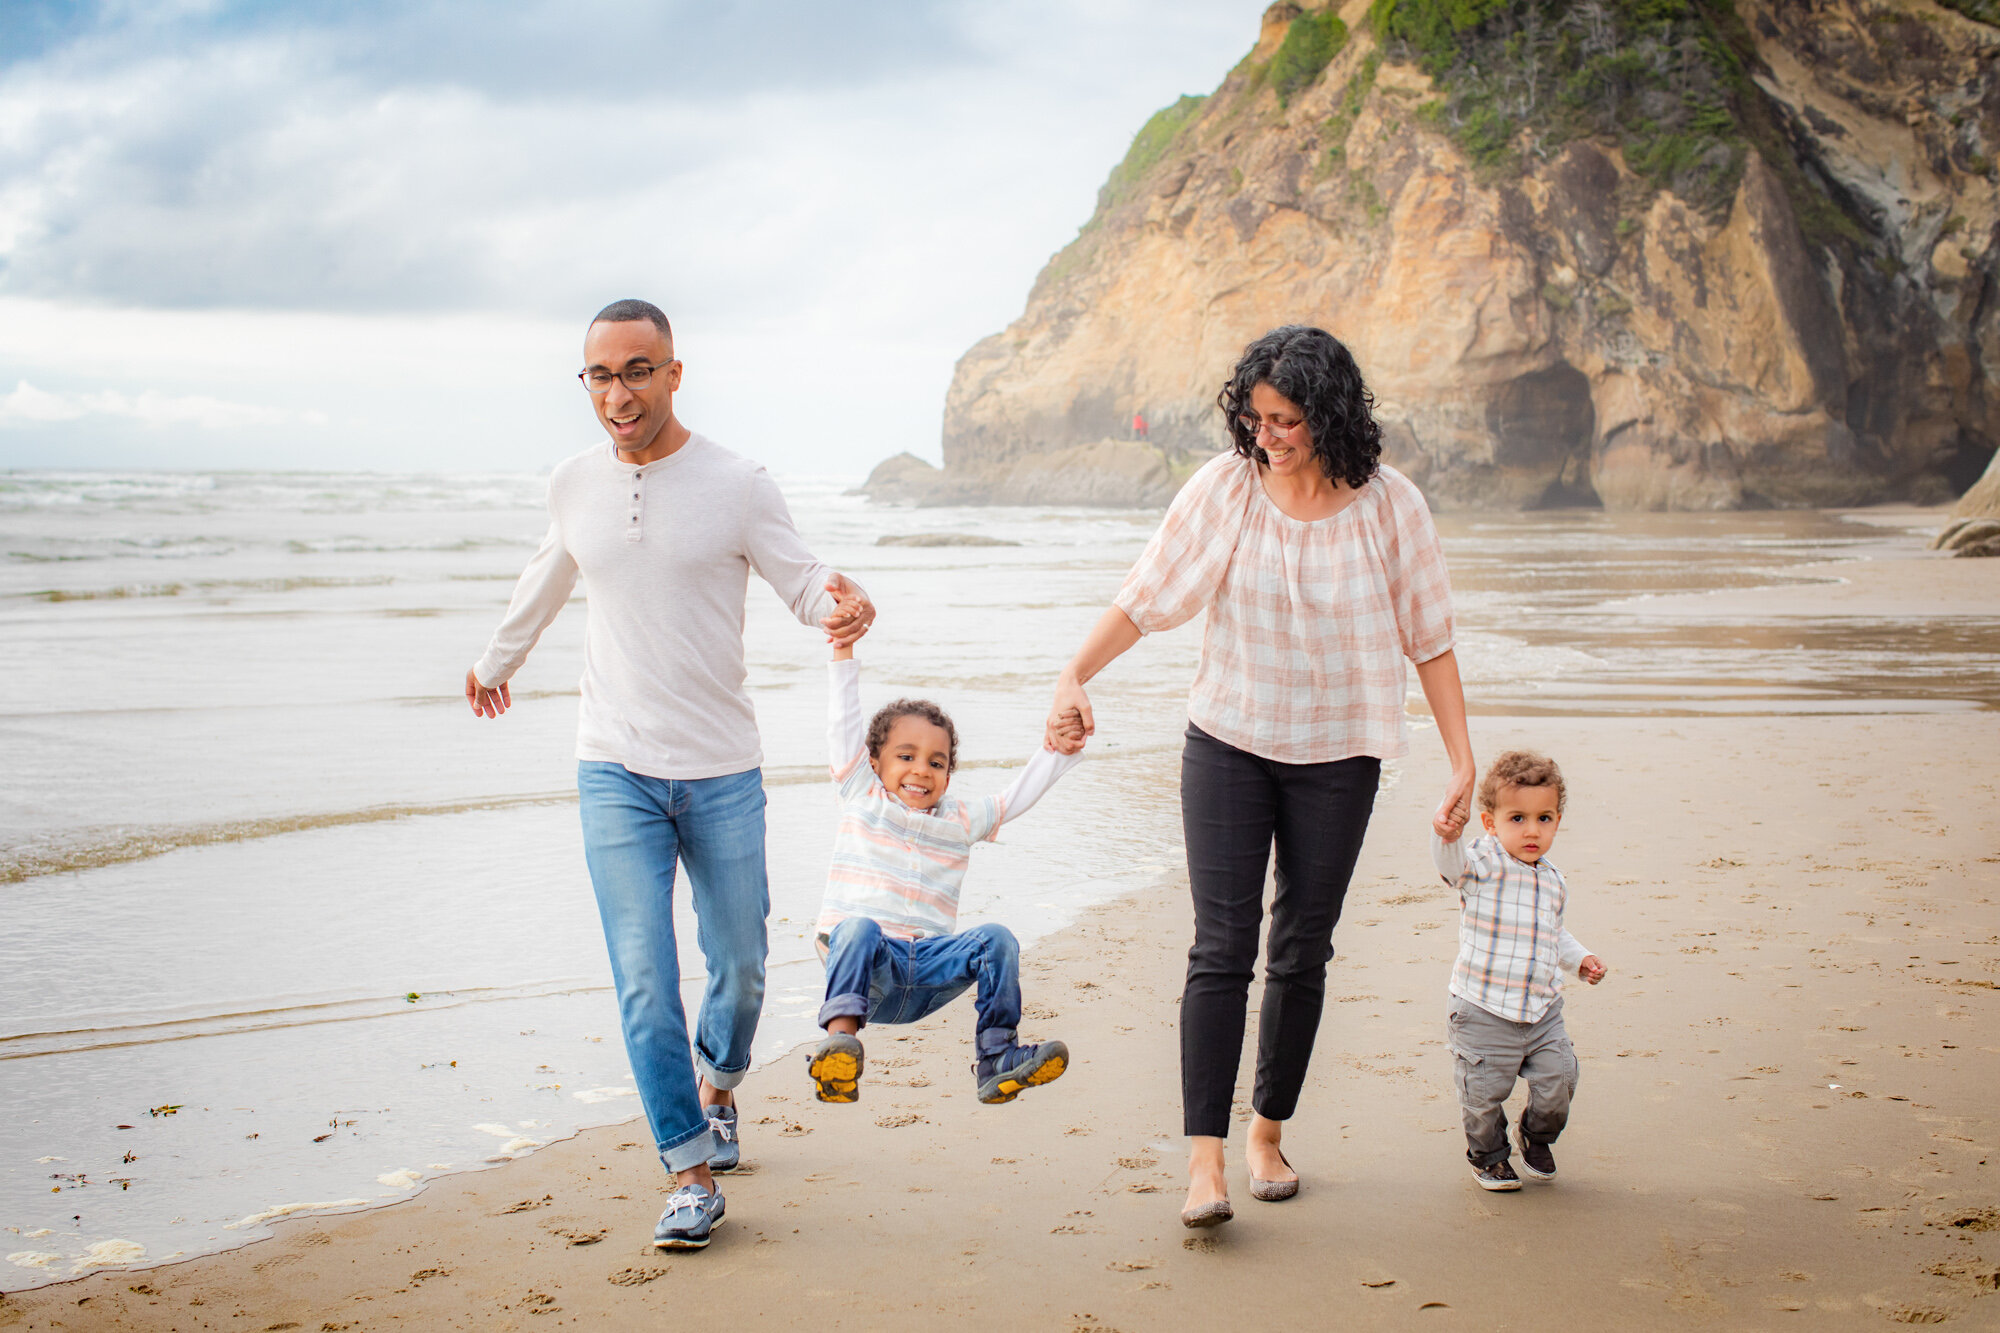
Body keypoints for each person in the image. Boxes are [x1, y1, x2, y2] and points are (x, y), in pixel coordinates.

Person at [464, 298, 874, 1251]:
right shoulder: (572, 483)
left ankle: (719, 1085)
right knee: (645, 975)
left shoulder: (737, 482)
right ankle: (688, 1168)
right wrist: (494, 662)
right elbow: (545, 576)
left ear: (675, 373)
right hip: (613, 765)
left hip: (722, 766)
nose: (619, 393)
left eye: (638, 370)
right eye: (601, 375)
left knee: (739, 961)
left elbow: (804, 579)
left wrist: (843, 605)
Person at [1043, 325, 1475, 1229]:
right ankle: (1204, 1163)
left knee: (1301, 949)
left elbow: (1428, 636)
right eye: (1257, 417)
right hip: (1230, 743)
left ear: (1329, 414)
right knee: (1220, 948)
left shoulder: (1393, 505)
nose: (1269, 434)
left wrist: (1461, 756)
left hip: (1340, 757)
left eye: (1286, 419)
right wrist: (1075, 672)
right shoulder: (1226, 489)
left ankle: (1267, 1132)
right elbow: (1146, 595)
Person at [806, 637, 1083, 1105]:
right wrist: (843, 651)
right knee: (856, 928)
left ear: (949, 775)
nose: (921, 771)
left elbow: (1016, 797)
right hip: (873, 974)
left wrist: (1058, 750)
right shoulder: (861, 793)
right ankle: (841, 1046)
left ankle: (997, 1058)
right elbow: (842, 720)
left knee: (996, 938)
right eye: (906, 756)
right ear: (873, 763)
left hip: (932, 969)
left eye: (937, 762)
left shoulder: (958, 819)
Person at [1432, 750, 1606, 1191]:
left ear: (1558, 820)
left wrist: (1581, 959)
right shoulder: (1483, 864)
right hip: (1483, 1010)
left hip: (1542, 1010)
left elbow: (1554, 934)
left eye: (1544, 818)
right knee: (1482, 1095)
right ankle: (1488, 1155)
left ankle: (1535, 1134)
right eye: (1517, 819)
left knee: (1560, 1079)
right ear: (1490, 823)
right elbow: (1451, 868)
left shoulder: (1553, 880)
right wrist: (1446, 836)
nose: (1532, 830)